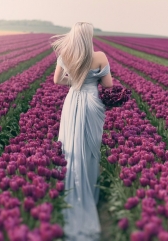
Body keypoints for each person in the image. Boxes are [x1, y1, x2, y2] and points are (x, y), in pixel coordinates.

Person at [49, 22, 113, 240]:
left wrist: (74, 79)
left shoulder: (65, 54)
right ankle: (91, 194)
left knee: (70, 146)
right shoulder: (100, 56)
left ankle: (70, 190)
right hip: (92, 103)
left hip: (73, 101)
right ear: (89, 36)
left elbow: (57, 80)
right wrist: (90, 80)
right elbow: (108, 85)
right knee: (91, 148)